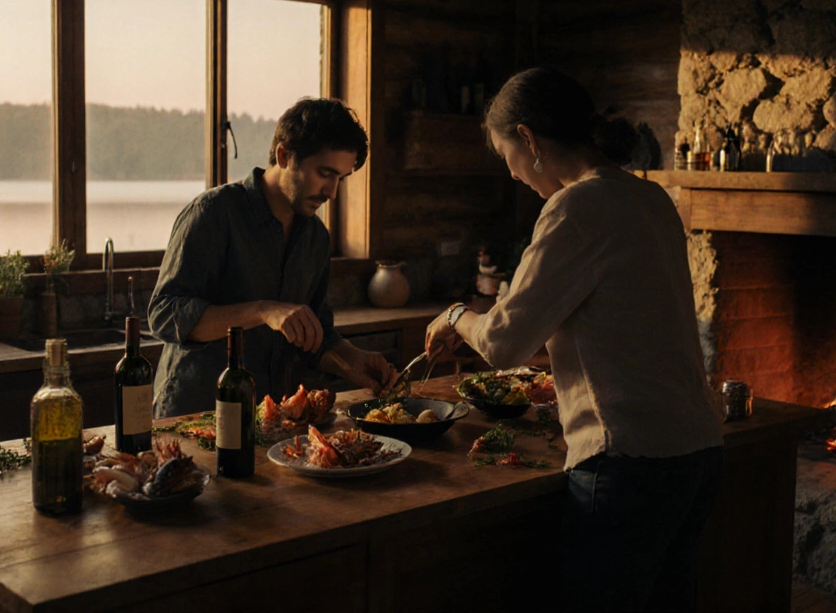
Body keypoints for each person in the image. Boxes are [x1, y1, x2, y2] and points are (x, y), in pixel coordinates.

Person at [425, 68, 725, 613]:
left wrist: (455, 316)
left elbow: (503, 344)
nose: (512, 173)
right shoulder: (650, 198)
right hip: (696, 451)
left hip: (628, 458)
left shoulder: (574, 208)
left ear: (529, 139)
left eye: (507, 156)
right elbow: (615, 317)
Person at [149, 98, 394, 418]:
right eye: (324, 173)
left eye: (340, 179)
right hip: (195, 414)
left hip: (268, 418)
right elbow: (164, 314)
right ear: (284, 156)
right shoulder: (214, 213)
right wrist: (263, 310)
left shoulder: (316, 238)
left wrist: (351, 360)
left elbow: (314, 331)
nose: (332, 192)